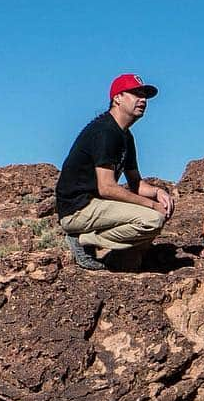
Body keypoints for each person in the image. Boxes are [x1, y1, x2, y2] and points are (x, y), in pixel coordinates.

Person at [56, 72, 174, 271]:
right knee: (152, 219)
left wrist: (158, 193)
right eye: (136, 94)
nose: (143, 100)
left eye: (144, 95)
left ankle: (119, 263)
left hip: (97, 205)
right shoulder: (105, 132)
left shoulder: (125, 136)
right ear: (117, 98)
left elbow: (136, 183)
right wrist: (152, 206)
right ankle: (84, 240)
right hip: (78, 209)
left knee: (162, 208)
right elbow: (107, 187)